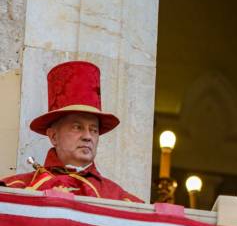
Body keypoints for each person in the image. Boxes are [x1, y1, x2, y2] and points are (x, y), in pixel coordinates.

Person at [0, 61, 143, 203]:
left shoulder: (121, 200)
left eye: (94, 130)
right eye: (77, 127)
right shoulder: (14, 190)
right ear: (53, 136)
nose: (88, 137)